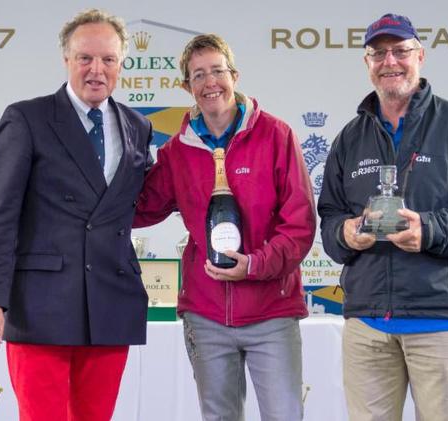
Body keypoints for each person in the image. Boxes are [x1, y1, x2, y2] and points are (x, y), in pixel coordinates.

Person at [317, 13, 448, 421]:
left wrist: (430, 231)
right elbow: (330, 218)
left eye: (401, 51)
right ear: (367, 63)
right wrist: (347, 233)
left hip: (437, 318)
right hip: (366, 323)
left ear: (419, 56)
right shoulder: (350, 137)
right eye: (379, 53)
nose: (391, 61)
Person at [0, 9, 152, 421]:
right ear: (66, 60)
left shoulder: (138, 126)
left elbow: (130, 204)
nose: (96, 69)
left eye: (107, 59)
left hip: (110, 303)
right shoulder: (27, 118)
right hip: (40, 306)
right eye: (84, 58)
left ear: (121, 65)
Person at [133, 34, 315, 421]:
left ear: (234, 75)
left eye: (217, 71)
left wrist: (256, 264)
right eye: (198, 75)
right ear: (187, 87)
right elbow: (142, 209)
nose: (210, 82)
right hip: (207, 314)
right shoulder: (176, 151)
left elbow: (299, 224)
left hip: (272, 312)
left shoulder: (276, 135)